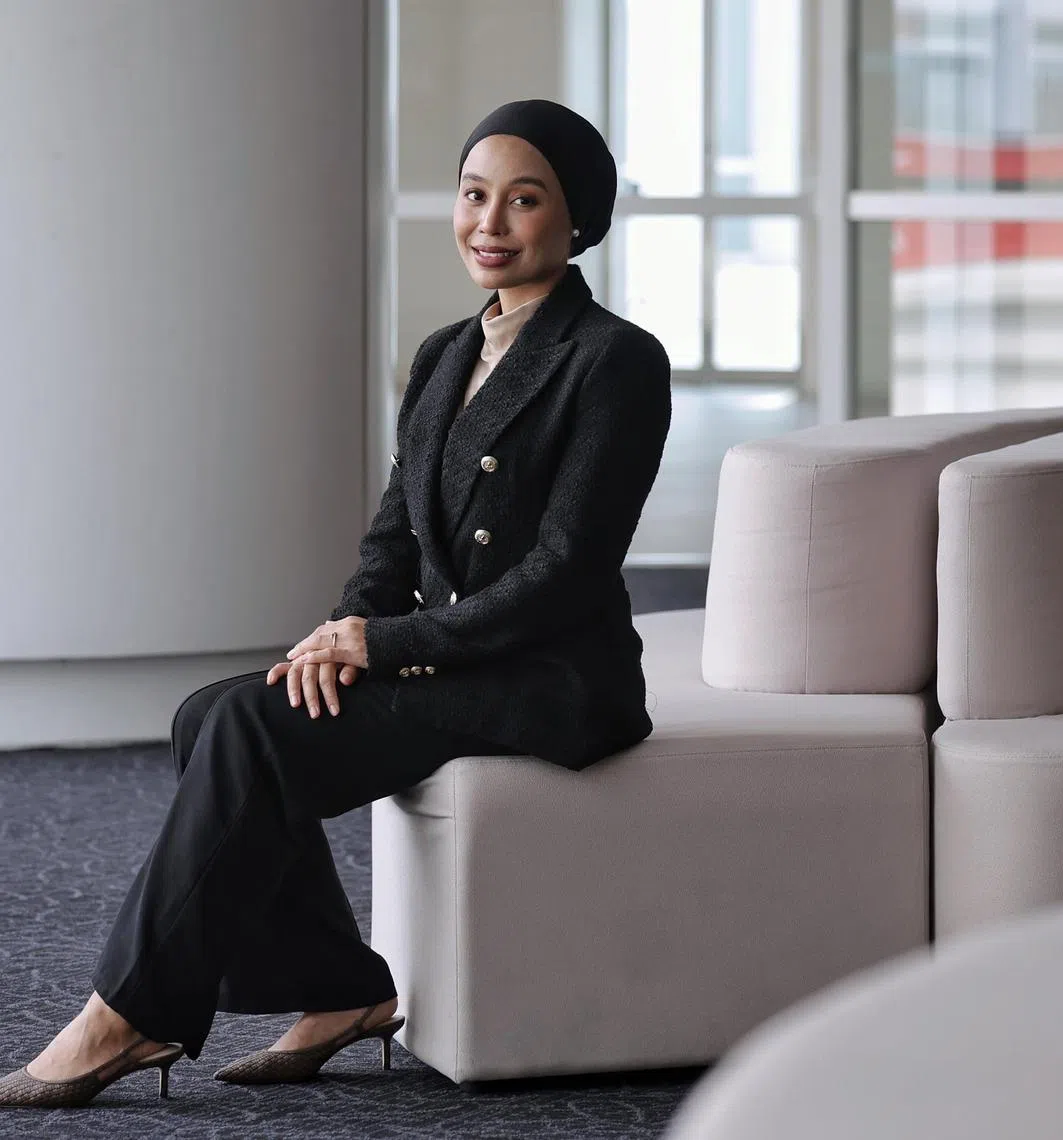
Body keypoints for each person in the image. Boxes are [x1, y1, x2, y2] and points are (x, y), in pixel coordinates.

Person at [0, 98, 672, 1109]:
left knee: (249, 730)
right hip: (455, 654)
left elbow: (566, 572)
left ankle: (127, 1015)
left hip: (549, 680)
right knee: (212, 713)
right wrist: (338, 634)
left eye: (524, 200)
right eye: (473, 194)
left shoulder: (615, 360)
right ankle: (339, 991)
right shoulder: (448, 352)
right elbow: (394, 534)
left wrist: (389, 642)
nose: (489, 222)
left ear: (578, 219)